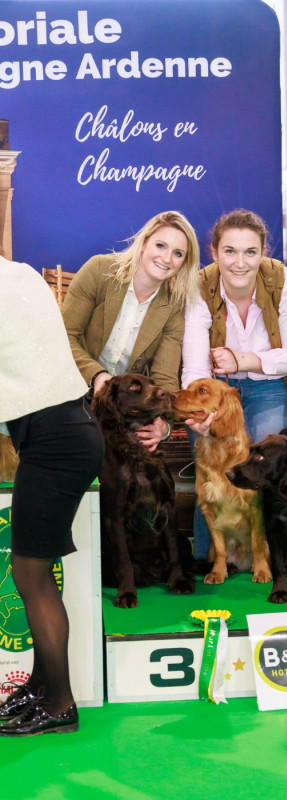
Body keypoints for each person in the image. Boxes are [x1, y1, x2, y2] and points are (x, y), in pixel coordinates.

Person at [0, 254, 104, 736]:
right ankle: (40, 688)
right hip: (69, 432)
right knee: (34, 571)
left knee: (30, 572)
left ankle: (60, 704)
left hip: (55, 442)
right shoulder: (20, 273)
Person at [181, 208, 287, 557]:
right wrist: (203, 416)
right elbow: (195, 367)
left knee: (268, 468)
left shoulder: (285, 281)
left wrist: (244, 360)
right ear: (214, 252)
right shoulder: (199, 285)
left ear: (263, 251)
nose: (240, 263)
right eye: (230, 251)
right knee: (212, 471)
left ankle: (276, 559)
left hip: (268, 386)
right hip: (216, 391)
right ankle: (209, 560)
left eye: (250, 252)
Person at [62, 211, 200, 451]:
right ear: (144, 243)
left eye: (178, 253)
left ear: (184, 263)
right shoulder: (99, 270)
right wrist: (97, 376)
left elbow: (165, 376)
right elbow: (65, 337)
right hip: (73, 390)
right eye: (160, 245)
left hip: (124, 407)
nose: (166, 258)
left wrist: (163, 426)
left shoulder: (174, 305)